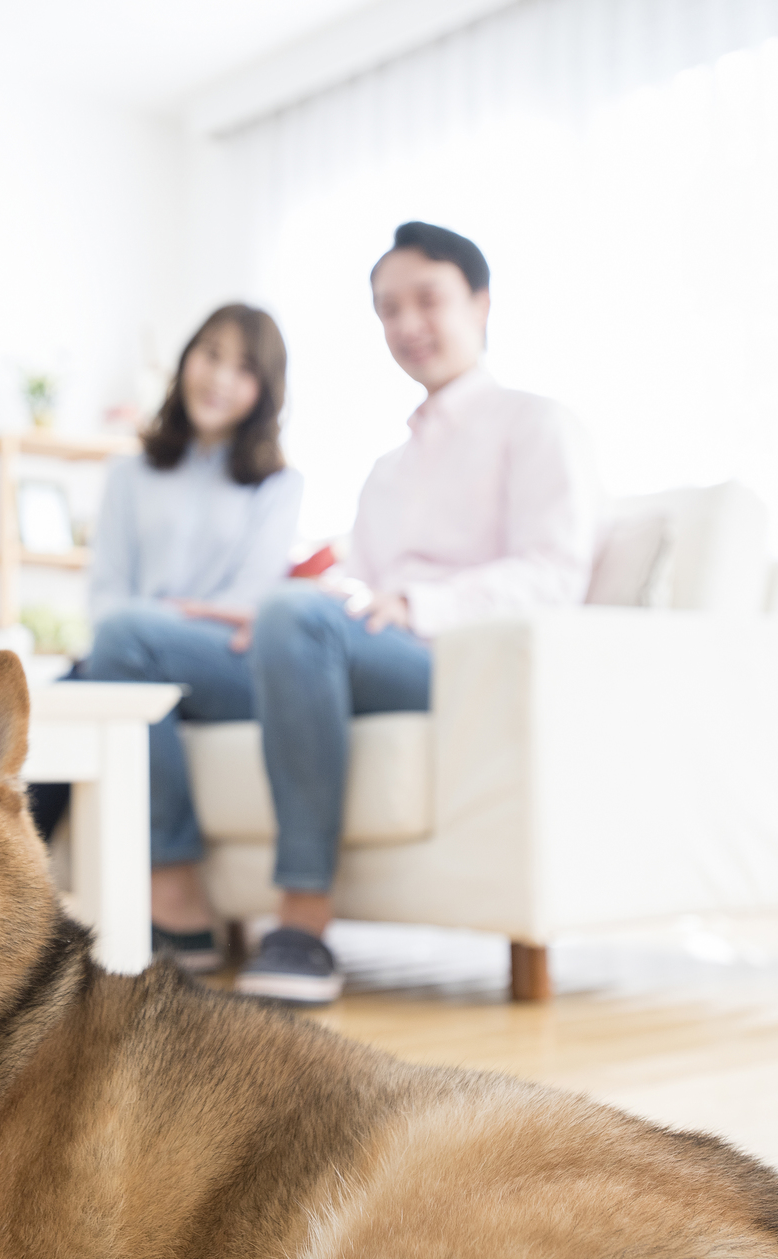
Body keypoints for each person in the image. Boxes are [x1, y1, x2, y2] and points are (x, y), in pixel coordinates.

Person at [147, 221, 600, 1005]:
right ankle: (174, 903)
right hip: (350, 649)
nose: (407, 325)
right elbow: (357, 585)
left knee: (295, 617)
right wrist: (282, 613)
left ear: (481, 303)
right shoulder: (388, 471)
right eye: (389, 309)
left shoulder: (537, 425)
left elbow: (553, 574)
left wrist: (412, 602)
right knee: (136, 640)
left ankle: (304, 923)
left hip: (451, 658)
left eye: (427, 300)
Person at [74, 305, 303, 972]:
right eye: (211, 354)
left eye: (245, 368)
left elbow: (248, 603)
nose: (221, 378)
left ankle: (172, 886)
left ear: (266, 391)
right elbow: (107, 590)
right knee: (59, 695)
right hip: (133, 660)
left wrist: (150, 624)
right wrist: (151, 623)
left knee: (119, 645)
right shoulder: (129, 475)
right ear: (185, 361)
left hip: (231, 668)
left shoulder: (278, 484)